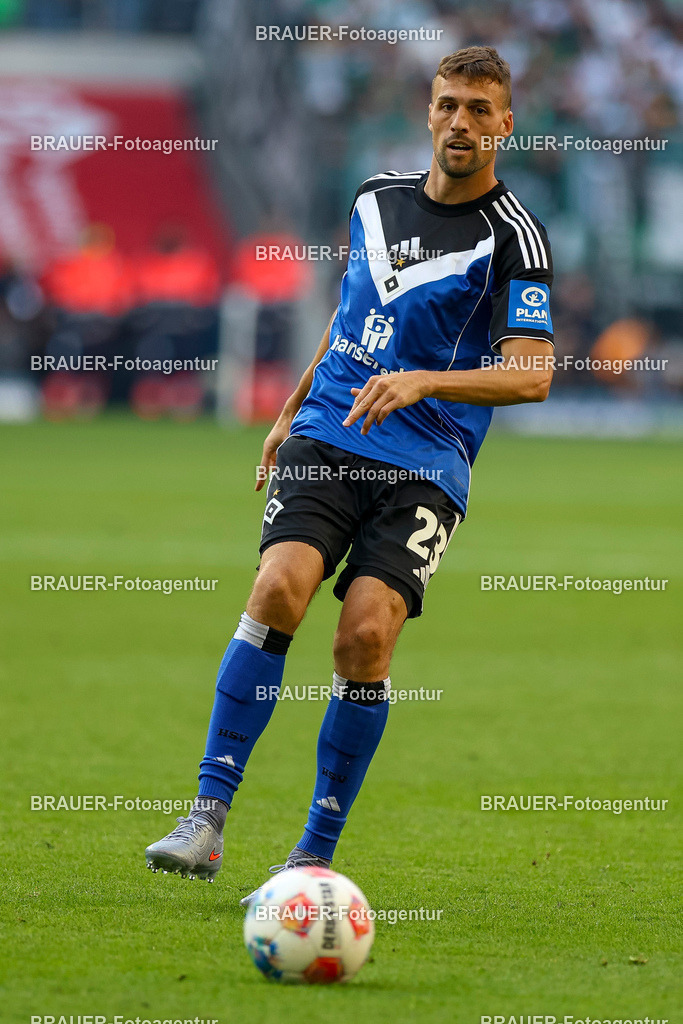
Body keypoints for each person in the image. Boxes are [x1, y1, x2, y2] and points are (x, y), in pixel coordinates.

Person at [144, 46, 555, 899]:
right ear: (428, 111)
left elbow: (532, 372)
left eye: (480, 111)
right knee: (275, 591)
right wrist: (291, 410)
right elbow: (349, 316)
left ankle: (311, 856)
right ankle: (206, 817)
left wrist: (426, 379)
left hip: (426, 460)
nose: (460, 124)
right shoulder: (373, 198)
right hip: (329, 433)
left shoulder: (513, 238)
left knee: (364, 639)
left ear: (505, 125)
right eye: (448, 105)